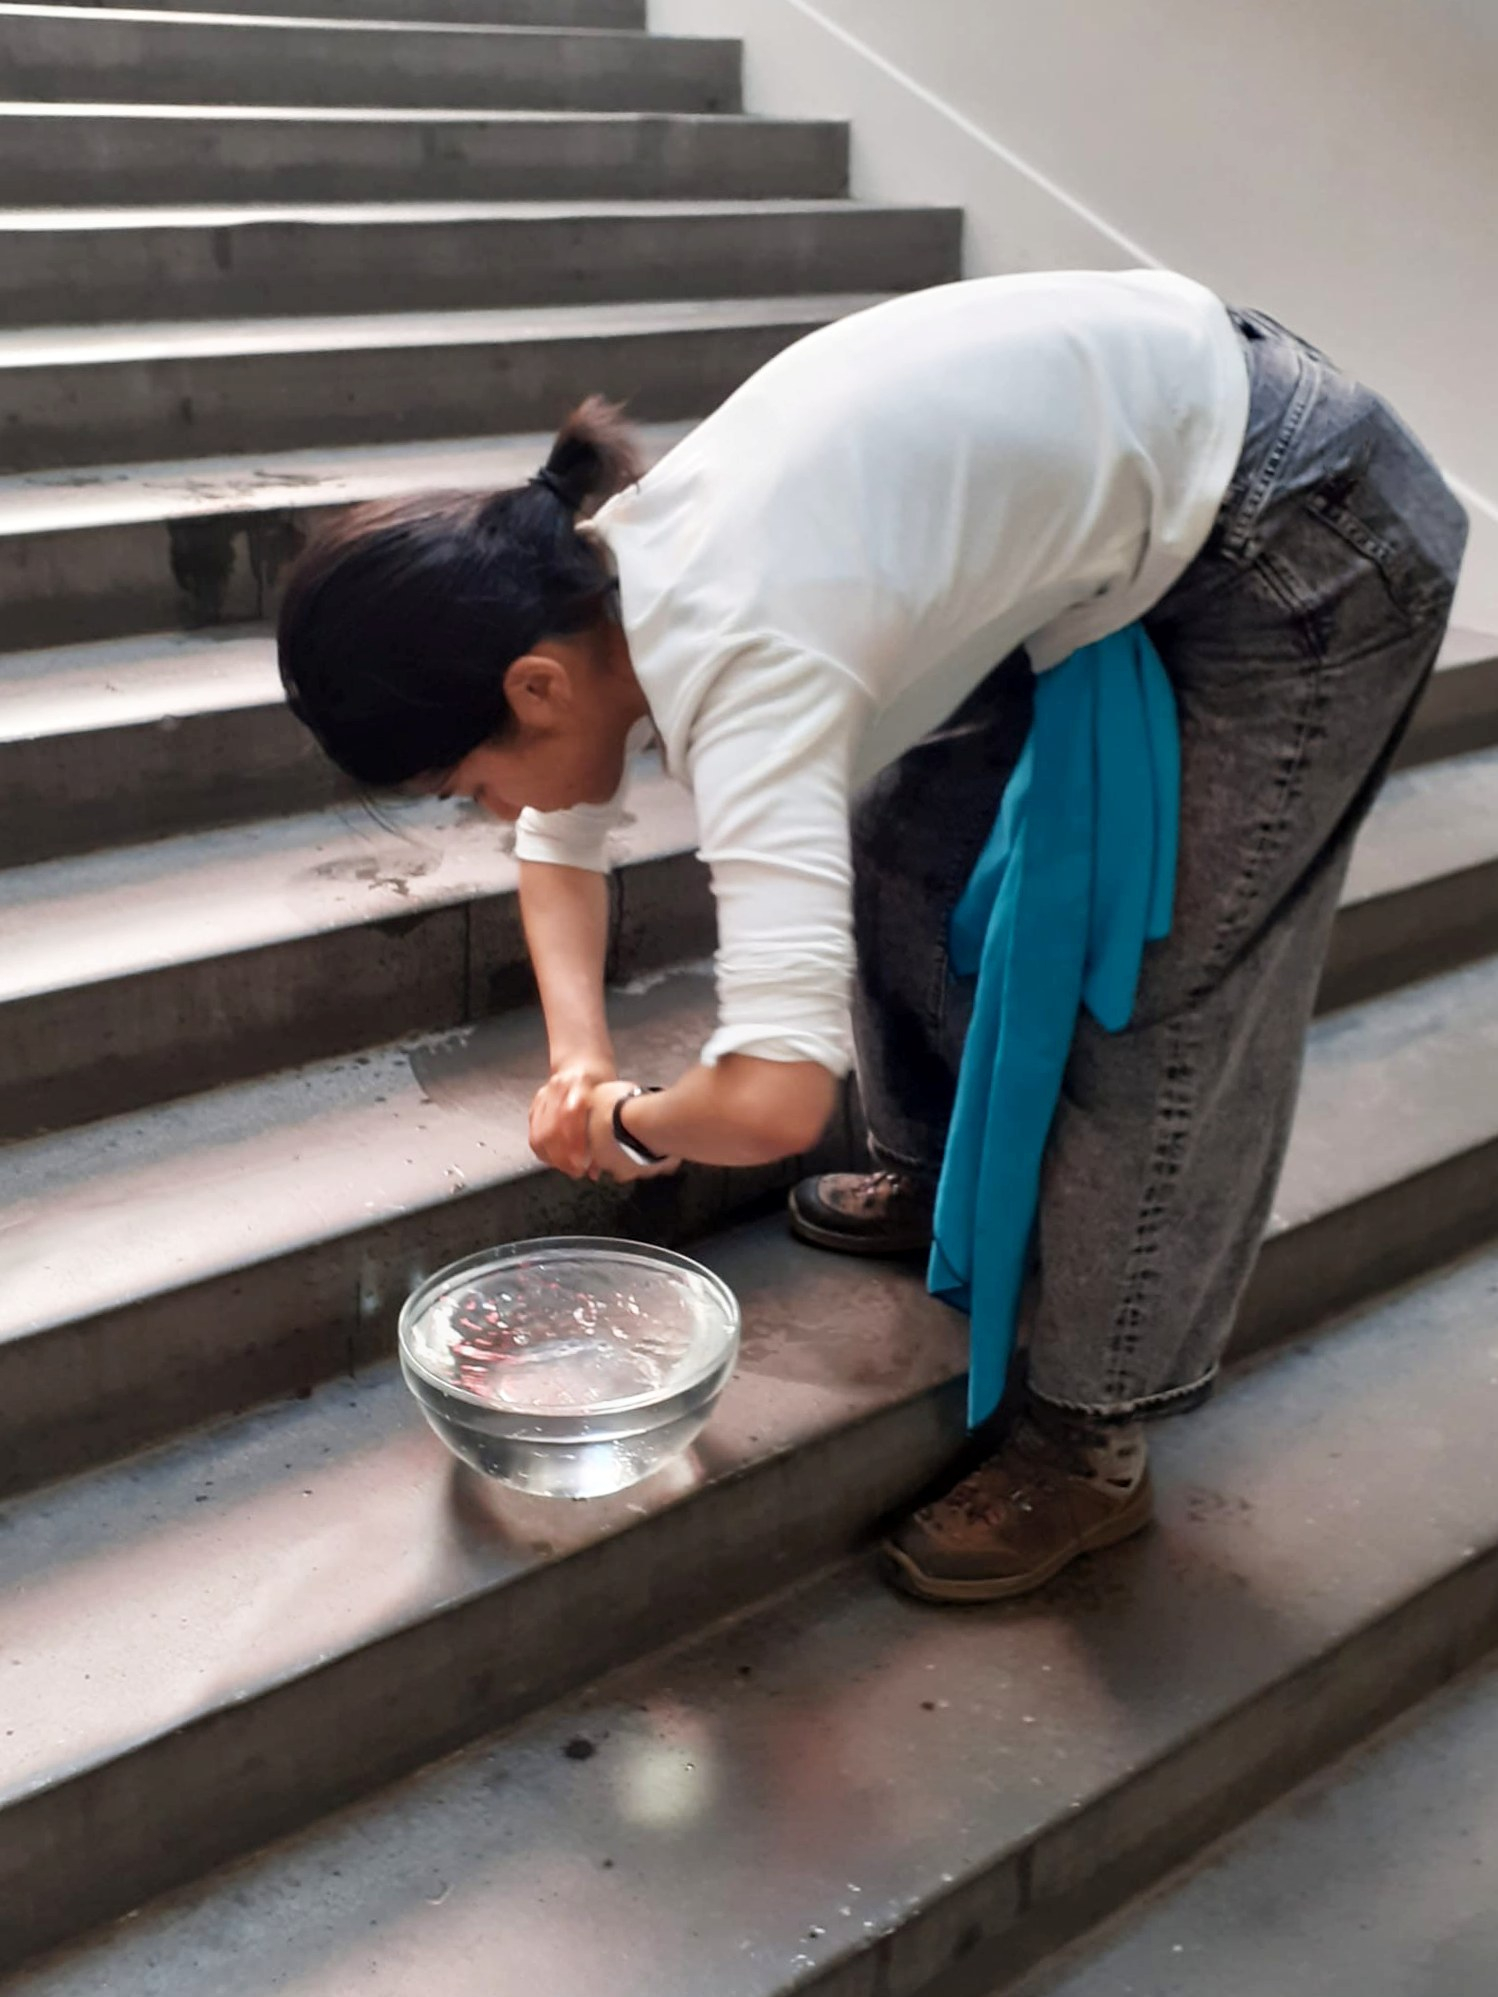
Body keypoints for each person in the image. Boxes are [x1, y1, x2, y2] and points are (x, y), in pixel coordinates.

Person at [278, 270, 1467, 1604]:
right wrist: (574, 1057)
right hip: (1153, 457)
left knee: (1153, 998)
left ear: (533, 685)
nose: (493, 814)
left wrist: (633, 1123)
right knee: (906, 841)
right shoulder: (595, 576)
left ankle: (1087, 1439)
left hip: (1301, 534)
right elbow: (556, 847)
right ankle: (928, 1168)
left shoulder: (752, 660)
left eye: (467, 785)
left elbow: (777, 1101)